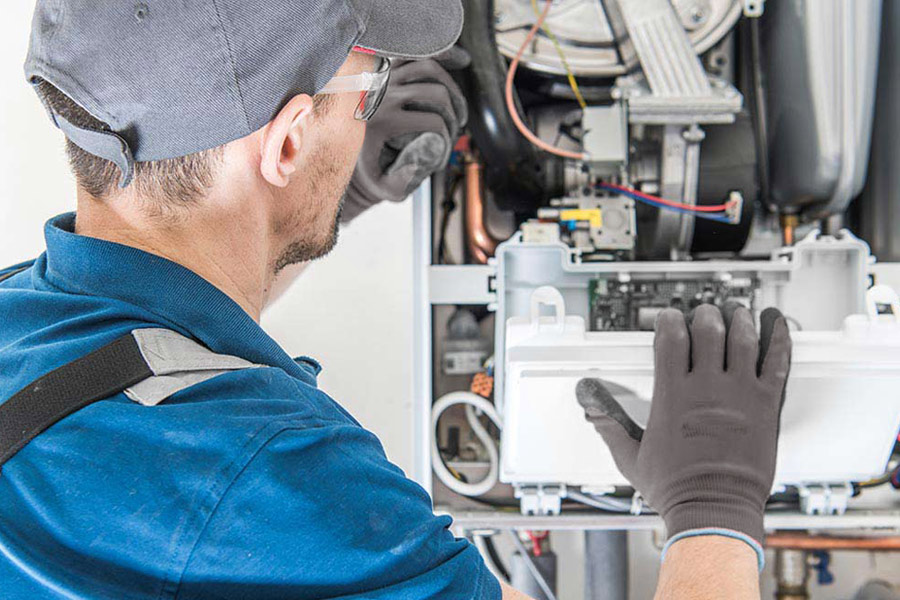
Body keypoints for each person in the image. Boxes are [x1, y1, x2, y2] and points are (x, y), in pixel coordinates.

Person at [0, 1, 791, 598]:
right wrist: (713, 504)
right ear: (286, 142)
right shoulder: (282, 482)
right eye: (371, 78)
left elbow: (158, 358)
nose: (376, 102)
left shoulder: (20, 320)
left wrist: (323, 201)